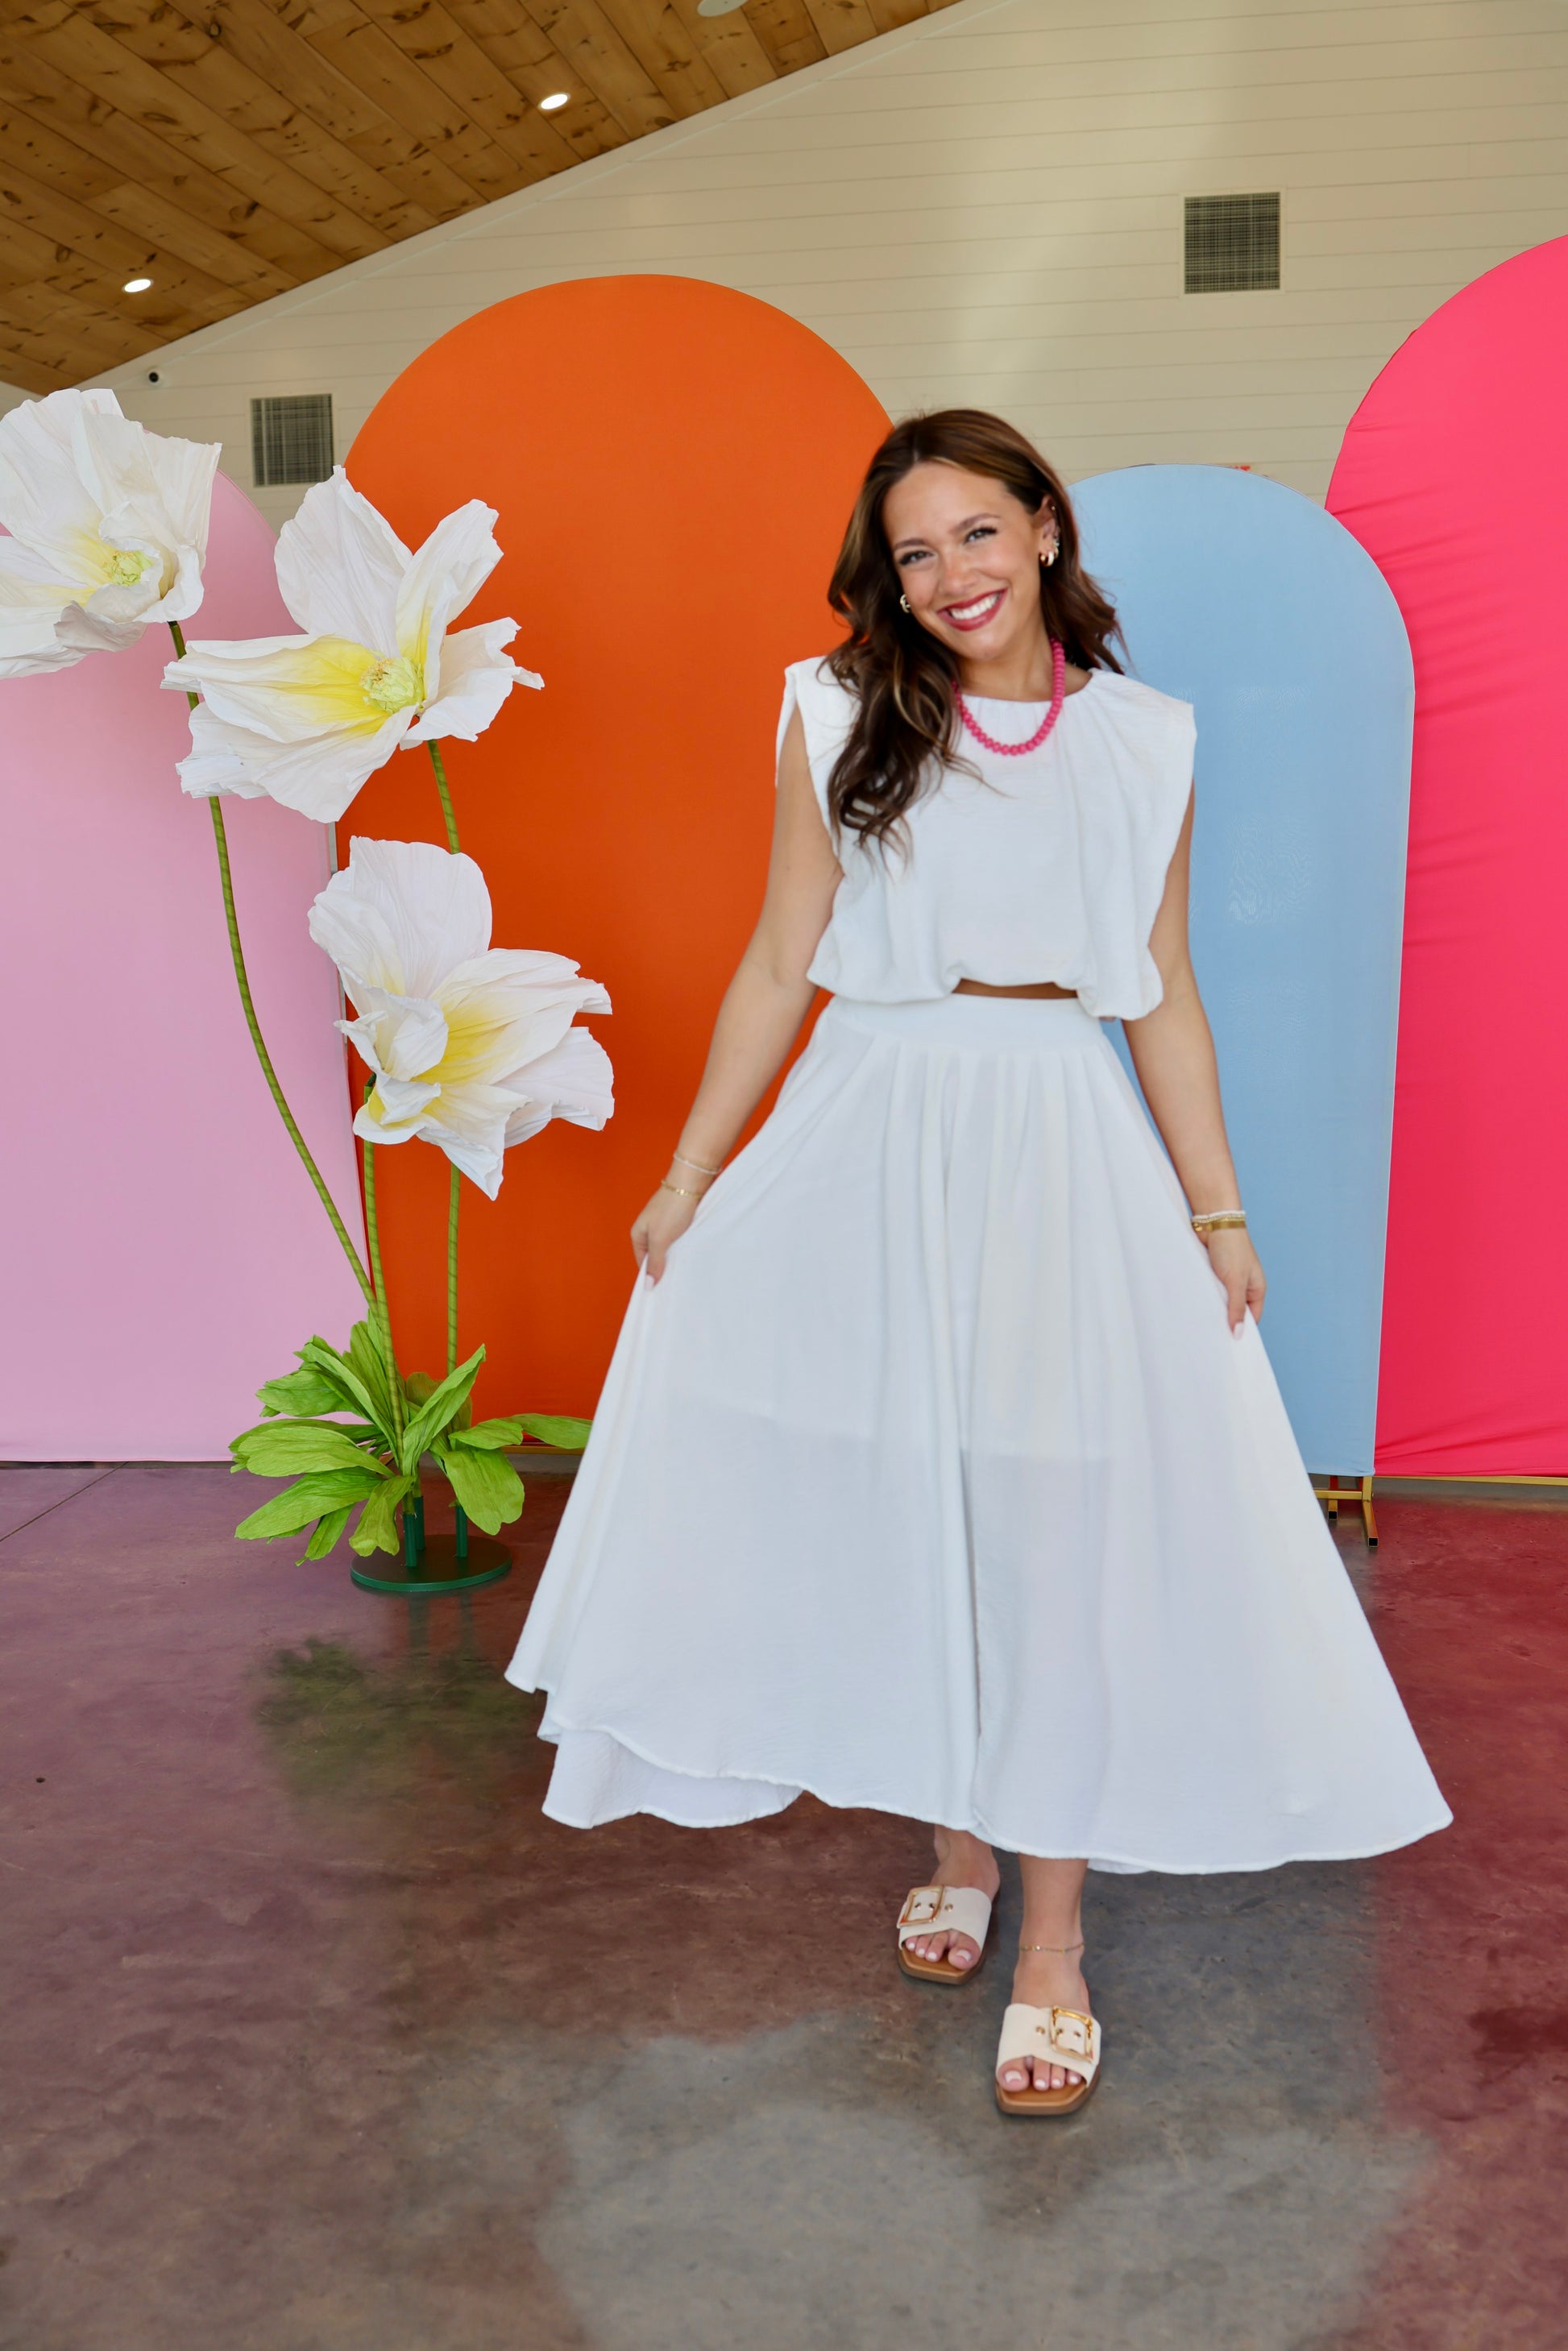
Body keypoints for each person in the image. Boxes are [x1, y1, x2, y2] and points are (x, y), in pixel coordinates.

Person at [507, 408, 1450, 2117]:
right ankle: (956, 1843)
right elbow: (780, 955)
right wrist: (690, 1172)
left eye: (977, 533)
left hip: (1054, 1135)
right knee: (916, 1499)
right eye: (915, 550)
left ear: (1043, 527)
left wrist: (1217, 1210)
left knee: (1051, 1531)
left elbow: (1160, 989)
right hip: (870, 1113)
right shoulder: (834, 711)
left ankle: (1053, 1945)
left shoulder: (1145, 740)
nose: (950, 574)